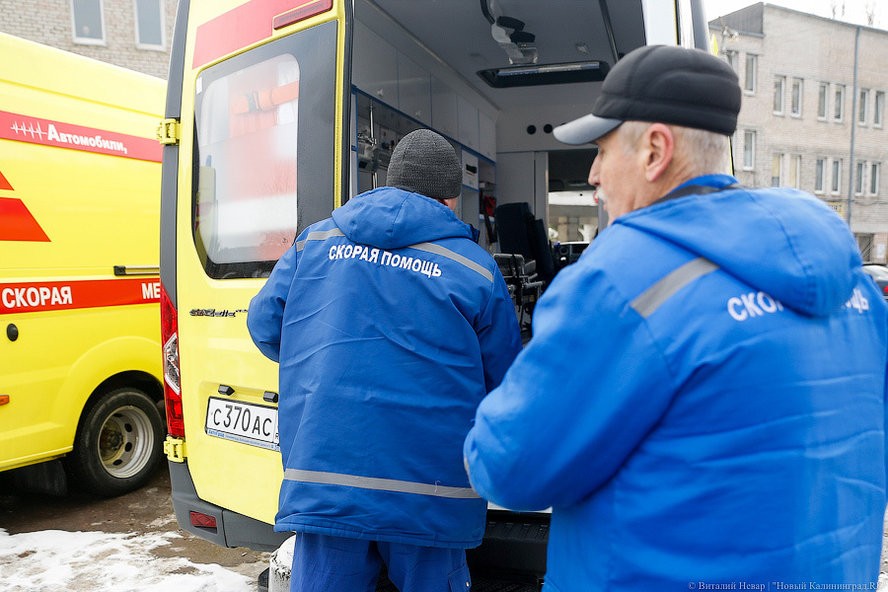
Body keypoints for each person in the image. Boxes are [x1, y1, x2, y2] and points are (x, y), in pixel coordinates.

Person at [463, 44, 888, 590]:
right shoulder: (855, 290)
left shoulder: (620, 281)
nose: (593, 174)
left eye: (601, 150)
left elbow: (509, 468)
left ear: (655, 151)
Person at [248, 128, 522, 592]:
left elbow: (265, 327)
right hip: (430, 490)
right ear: (450, 199)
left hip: (327, 478)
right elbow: (506, 380)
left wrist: (320, 364)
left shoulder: (313, 243)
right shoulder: (474, 268)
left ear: (387, 182)